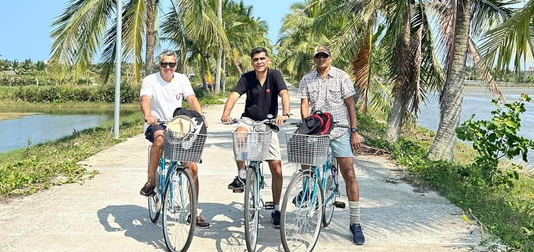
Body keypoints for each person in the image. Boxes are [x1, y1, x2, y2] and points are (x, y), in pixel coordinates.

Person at [298, 45, 365, 245]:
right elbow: (304, 103)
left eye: (324, 55)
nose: (321, 59)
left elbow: (350, 105)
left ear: (330, 57)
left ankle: (355, 223)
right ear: (314, 59)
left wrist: (354, 132)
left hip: (340, 130)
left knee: (349, 172)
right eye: (318, 56)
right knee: (303, 155)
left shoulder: (341, 76)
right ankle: (308, 189)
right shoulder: (307, 79)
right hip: (318, 129)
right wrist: (306, 123)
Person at [221, 47, 290, 228]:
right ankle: (242, 174)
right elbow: (234, 95)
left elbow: (284, 93)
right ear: (252, 62)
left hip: (268, 123)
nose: (259, 62)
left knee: (277, 169)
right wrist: (226, 113)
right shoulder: (247, 78)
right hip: (249, 120)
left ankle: (276, 208)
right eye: (255, 59)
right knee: (239, 134)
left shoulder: (275, 75)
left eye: (262, 59)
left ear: (267, 60)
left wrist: (286, 113)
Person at [140, 50, 210, 228]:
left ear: (176, 65)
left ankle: (194, 211)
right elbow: (145, 99)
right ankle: (151, 181)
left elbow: (192, 98)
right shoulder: (151, 80)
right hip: (157, 124)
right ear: (160, 65)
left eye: (171, 64)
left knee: (192, 167)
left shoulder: (181, 79)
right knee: (160, 140)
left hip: (178, 125)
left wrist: (199, 116)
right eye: (164, 64)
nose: (168, 67)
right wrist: (148, 115)